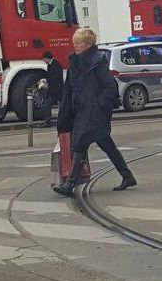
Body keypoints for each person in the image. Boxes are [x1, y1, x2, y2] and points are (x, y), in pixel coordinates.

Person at [53, 28, 136, 197]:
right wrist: (65, 112)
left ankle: (70, 184)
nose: (75, 45)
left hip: (94, 111)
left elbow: (109, 86)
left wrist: (98, 104)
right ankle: (127, 176)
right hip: (81, 110)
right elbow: (69, 89)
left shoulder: (97, 62)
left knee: (80, 143)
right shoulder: (74, 63)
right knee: (106, 144)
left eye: (79, 42)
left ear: (88, 44)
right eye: (74, 42)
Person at [38, 51, 64, 127]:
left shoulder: (56, 64)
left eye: (44, 59)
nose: (44, 61)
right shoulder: (50, 65)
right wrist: (45, 79)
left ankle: (54, 121)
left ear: (47, 58)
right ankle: (48, 121)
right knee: (48, 105)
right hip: (52, 89)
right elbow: (50, 75)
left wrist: (46, 81)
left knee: (62, 105)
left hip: (57, 89)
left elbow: (56, 77)